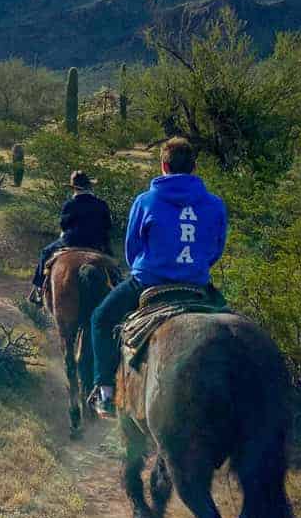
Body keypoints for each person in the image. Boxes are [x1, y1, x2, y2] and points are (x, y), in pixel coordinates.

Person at [88, 137, 228, 419]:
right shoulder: (214, 204)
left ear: (163, 165)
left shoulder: (146, 200)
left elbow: (132, 248)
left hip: (149, 283)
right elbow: (216, 248)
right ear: (194, 167)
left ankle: (105, 391)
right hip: (196, 286)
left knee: (101, 319)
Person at [28, 170, 112, 305]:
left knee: (45, 252)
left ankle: (38, 289)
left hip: (71, 242)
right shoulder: (101, 204)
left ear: (74, 188)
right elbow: (107, 226)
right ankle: (116, 283)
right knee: (113, 265)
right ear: (89, 187)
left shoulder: (70, 204)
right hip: (96, 244)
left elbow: (64, 225)